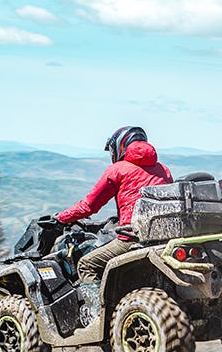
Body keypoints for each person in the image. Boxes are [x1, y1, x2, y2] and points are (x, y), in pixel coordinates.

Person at [56, 125, 172, 322]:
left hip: (132, 239)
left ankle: (95, 317)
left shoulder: (118, 169)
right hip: (163, 237)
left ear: (120, 146)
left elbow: (89, 206)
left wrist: (61, 218)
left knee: (87, 264)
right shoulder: (164, 169)